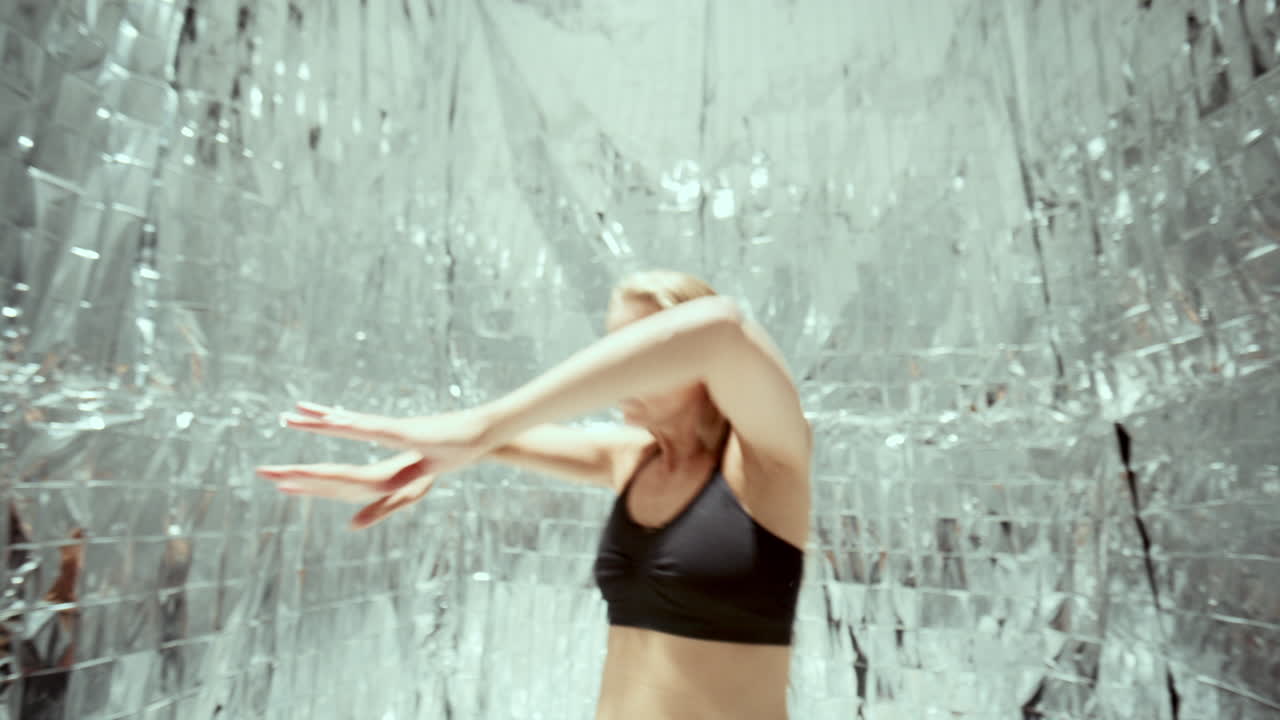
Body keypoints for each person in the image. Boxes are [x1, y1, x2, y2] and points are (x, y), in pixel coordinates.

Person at [257, 269, 812, 719]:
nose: (615, 371)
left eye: (637, 351)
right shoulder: (634, 459)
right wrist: (418, 462)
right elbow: (504, 443)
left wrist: (484, 425)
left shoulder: (765, 464)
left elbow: (723, 329)